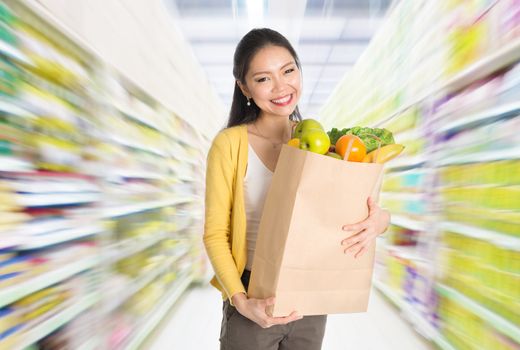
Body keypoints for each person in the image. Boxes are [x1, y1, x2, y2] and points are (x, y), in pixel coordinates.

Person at [203, 28, 391, 350]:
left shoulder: (325, 145)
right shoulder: (230, 144)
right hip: (252, 292)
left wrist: (379, 221)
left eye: (288, 70)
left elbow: (360, 210)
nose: (281, 87)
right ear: (244, 87)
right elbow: (215, 233)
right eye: (263, 79)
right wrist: (241, 301)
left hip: (309, 297)